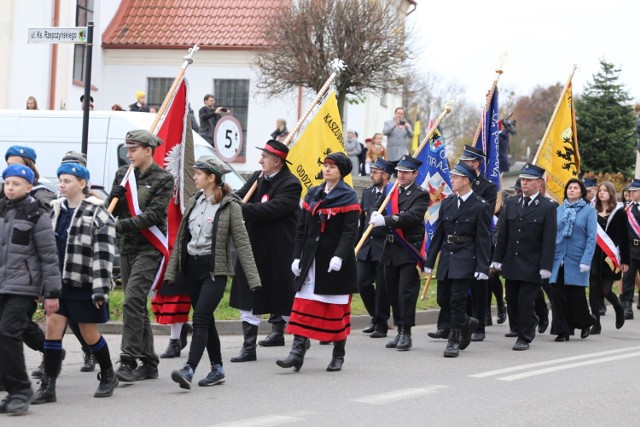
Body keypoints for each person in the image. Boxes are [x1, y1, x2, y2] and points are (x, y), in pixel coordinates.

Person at [166, 156, 261, 389]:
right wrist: (171, 272)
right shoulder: (194, 200)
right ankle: (217, 369)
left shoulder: (230, 206)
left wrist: (253, 279)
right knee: (206, 321)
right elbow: (181, 239)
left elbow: (243, 243)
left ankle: (189, 369)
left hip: (213, 271)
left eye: (198, 173)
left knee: (199, 319)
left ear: (212, 178)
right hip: (191, 270)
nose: (194, 176)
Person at [32, 163, 118, 404]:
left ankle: (108, 374)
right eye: (60, 180)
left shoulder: (98, 212)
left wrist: (100, 289)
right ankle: (48, 386)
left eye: (67, 180)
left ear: (82, 184)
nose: (61, 184)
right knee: (52, 330)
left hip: (85, 285)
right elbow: (46, 251)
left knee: (89, 333)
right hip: (58, 285)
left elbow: (104, 254)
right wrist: (42, 286)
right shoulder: (55, 210)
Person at [277, 152, 360, 372]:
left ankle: (338, 354)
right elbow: (301, 229)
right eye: (325, 165)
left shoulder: (349, 196)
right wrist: (296, 256)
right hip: (311, 259)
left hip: (334, 263)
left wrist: (340, 256)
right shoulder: (313, 193)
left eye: (332, 167)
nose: (327, 169)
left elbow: (350, 232)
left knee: (334, 309)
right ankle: (297, 352)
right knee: (303, 304)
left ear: (341, 172)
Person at [107, 130, 174, 382]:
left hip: (149, 246)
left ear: (148, 150)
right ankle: (149, 363)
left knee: (131, 299)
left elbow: (153, 216)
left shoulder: (163, 178)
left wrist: (117, 226)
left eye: (134, 149)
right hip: (126, 247)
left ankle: (127, 359)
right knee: (135, 303)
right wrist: (111, 199)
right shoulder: (123, 175)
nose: (129, 154)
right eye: (127, 149)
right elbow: (111, 212)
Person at [229, 140, 302, 361]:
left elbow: (273, 209)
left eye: (265, 157)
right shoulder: (257, 176)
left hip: (279, 250)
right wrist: (230, 199)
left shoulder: (291, 183)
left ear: (277, 161)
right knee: (249, 294)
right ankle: (249, 347)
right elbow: (241, 195)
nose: (260, 160)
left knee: (285, 297)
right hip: (253, 247)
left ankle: (300, 344)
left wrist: (241, 209)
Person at [0, 164, 60, 415]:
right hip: (2, 285)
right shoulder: (1, 208)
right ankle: (12, 388)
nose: (10, 188)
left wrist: (52, 293)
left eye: (15, 184)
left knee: (7, 333)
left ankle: (22, 389)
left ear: (28, 186)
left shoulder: (37, 214)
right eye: (7, 183)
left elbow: (49, 256)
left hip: (24, 287)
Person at [424, 161, 491, 357]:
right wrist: (430, 261)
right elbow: (439, 235)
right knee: (443, 299)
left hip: (466, 257)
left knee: (457, 300)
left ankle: (454, 339)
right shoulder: (447, 203)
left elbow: (484, 238)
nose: (451, 180)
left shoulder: (481, 206)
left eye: (455, 178)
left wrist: (482, 266)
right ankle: (468, 322)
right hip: (447, 256)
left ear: (466, 180)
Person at [492, 163, 556, 351]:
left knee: (525, 302)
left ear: (539, 183)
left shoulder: (547, 207)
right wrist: (497, 258)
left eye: (528, 180)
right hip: (512, 261)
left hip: (532, 264)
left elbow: (549, 239)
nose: (524, 182)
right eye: (523, 179)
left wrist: (545, 266)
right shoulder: (512, 202)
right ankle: (526, 324)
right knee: (511, 299)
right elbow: (503, 234)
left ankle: (525, 336)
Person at [369, 155, 429, 351]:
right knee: (392, 292)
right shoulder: (390, 190)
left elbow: (411, 217)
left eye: (405, 172)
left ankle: (406, 332)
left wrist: (385, 221)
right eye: (399, 171)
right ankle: (398, 330)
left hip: (408, 249)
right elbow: (376, 206)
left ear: (415, 174)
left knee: (406, 293)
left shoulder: (420, 194)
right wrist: (374, 214)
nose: (401, 175)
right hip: (390, 248)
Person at [457, 145, 497, 341]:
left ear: (476, 164)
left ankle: (479, 324)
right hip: (460, 243)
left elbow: (485, 213)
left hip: (478, 241)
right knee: (460, 284)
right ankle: (460, 323)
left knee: (479, 286)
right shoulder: (459, 183)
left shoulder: (488, 186)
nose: (463, 164)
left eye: (467, 162)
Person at [549, 178, 597, 341]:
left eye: (575, 188)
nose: (571, 190)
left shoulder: (589, 211)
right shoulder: (559, 210)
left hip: (577, 259)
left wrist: (586, 260)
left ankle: (585, 322)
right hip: (558, 258)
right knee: (557, 294)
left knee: (575, 296)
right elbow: (554, 233)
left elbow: (591, 238)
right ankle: (563, 330)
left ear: (582, 192)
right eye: (569, 187)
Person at [357, 158, 398, 338]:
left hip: (384, 245)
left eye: (375, 172)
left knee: (382, 286)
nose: (371, 175)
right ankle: (376, 316)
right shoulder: (367, 193)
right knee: (362, 283)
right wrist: (356, 245)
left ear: (385, 175)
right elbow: (361, 221)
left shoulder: (393, 193)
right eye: (371, 171)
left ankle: (381, 323)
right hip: (366, 245)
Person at [589, 182, 629, 334]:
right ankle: (596, 323)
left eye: (605, 191)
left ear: (611, 193)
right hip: (594, 255)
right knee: (593, 289)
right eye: (600, 191)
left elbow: (624, 237)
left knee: (606, 290)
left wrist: (625, 260)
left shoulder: (619, 212)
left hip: (610, 257)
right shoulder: (592, 210)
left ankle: (618, 308)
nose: (602, 193)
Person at [620, 179, 640, 320]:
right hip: (631, 247)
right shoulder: (626, 209)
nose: (631, 193)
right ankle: (627, 305)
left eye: (635, 191)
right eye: (630, 191)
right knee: (628, 277)